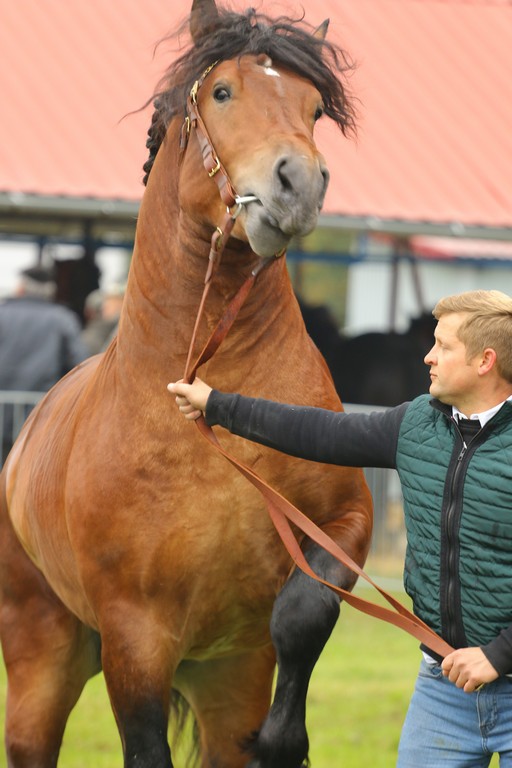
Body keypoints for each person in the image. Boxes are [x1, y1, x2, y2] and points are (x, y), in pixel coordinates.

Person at [168, 289, 512, 767]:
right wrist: (216, 405)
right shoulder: (417, 425)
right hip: (444, 686)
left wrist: (499, 655)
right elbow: (319, 432)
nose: (428, 356)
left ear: (485, 361)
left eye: (443, 346)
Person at [0, 265, 88, 461]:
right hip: (40, 420)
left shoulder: (2, 314)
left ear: (21, 287)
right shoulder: (62, 319)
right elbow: (80, 366)